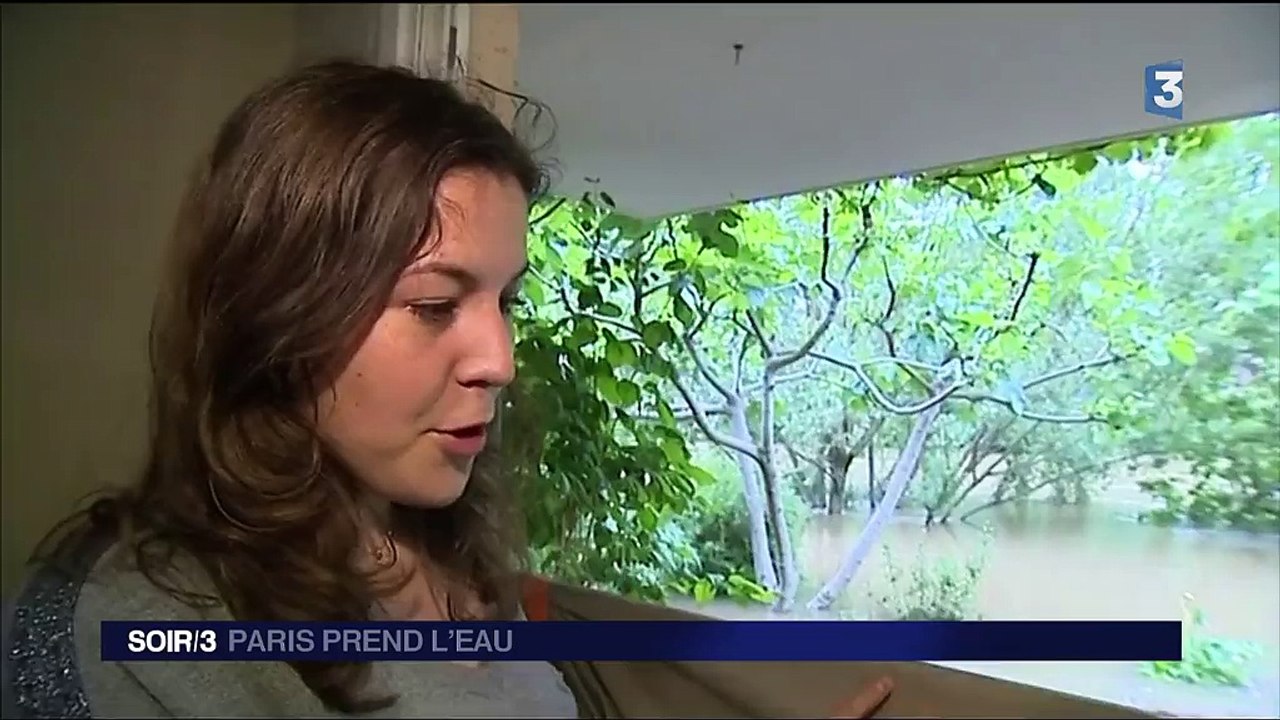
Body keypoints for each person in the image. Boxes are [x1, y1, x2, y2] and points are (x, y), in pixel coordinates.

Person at [4, 60, 895, 719]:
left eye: (507, 301)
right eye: (434, 304)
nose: (499, 360)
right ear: (276, 310)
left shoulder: (452, 556)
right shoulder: (139, 633)